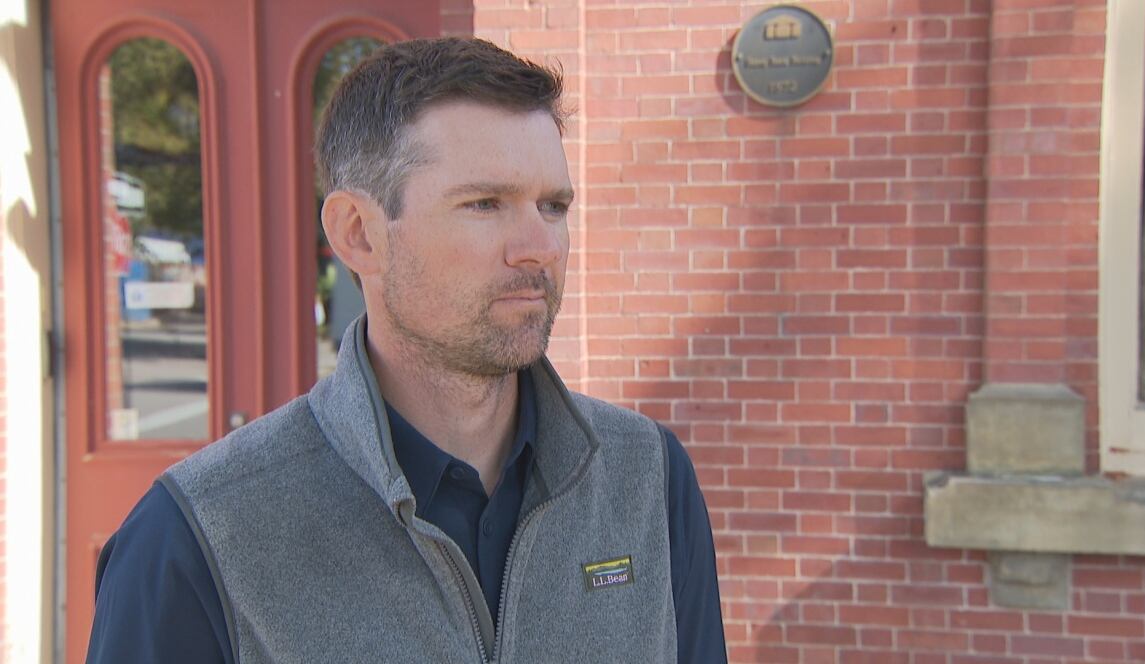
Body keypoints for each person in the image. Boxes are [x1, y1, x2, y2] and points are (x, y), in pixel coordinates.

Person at [87, 37, 727, 663]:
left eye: (553, 206)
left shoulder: (647, 479)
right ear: (359, 234)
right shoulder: (197, 537)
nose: (541, 247)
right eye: (485, 204)